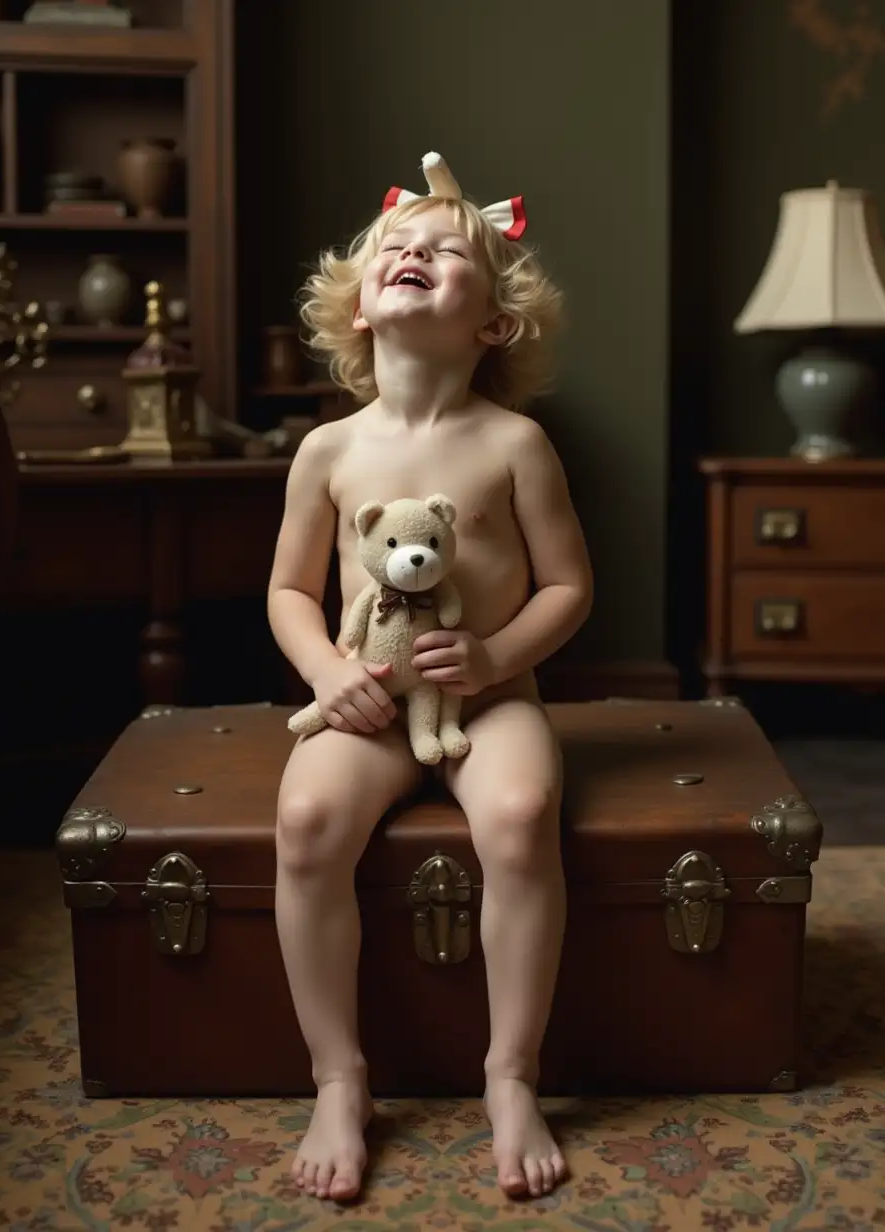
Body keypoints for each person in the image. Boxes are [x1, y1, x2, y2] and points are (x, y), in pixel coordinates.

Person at [267, 152, 593, 1203]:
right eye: (394, 248)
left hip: (488, 699)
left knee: (519, 811)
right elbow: (287, 591)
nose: (412, 254)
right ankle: (339, 1074)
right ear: (358, 305)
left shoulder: (516, 443)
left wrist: (496, 656)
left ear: (491, 321)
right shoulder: (326, 449)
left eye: (446, 252)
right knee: (308, 821)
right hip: (364, 700)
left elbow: (568, 588)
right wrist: (328, 669)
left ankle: (510, 1072)